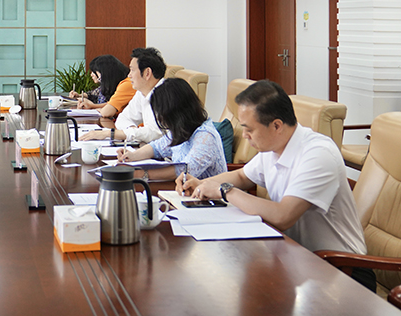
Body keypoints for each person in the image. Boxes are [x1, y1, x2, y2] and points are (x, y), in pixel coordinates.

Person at [180, 80, 374, 292]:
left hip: (342, 271)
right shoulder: (273, 147)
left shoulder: (318, 154)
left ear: (276, 126)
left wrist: (225, 191)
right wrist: (200, 184)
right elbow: (242, 176)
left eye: (249, 129)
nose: (244, 136)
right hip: (296, 259)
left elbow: (284, 216)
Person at [115, 78, 226, 181]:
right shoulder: (182, 129)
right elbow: (156, 147)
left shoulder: (206, 136)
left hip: (208, 195)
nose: (160, 118)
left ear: (175, 112)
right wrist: (132, 156)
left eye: (161, 113)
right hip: (185, 191)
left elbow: (185, 170)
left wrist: (143, 174)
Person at [79, 47, 166, 144]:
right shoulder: (142, 93)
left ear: (147, 73)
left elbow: (155, 134)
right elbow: (123, 118)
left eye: (132, 70)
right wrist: (131, 132)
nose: (129, 75)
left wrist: (111, 134)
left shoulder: (167, 94)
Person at [71, 55, 136, 121]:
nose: (129, 75)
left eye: (133, 70)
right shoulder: (121, 84)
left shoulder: (127, 84)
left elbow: (107, 112)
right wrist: (92, 106)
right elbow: (110, 104)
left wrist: (93, 107)